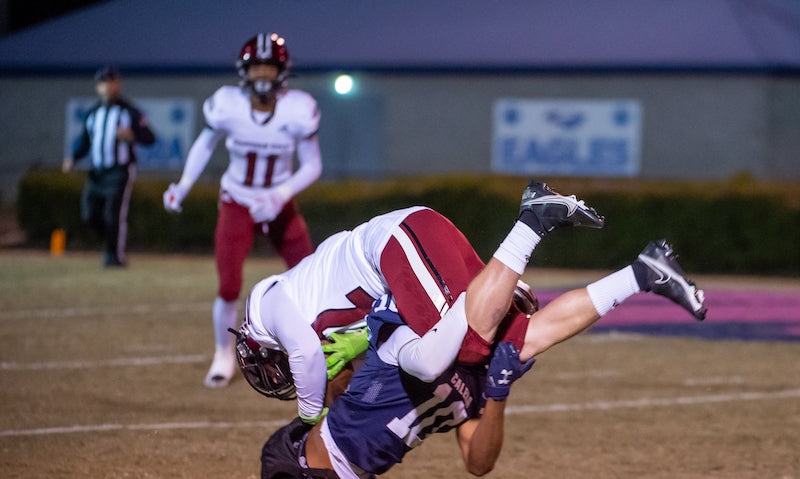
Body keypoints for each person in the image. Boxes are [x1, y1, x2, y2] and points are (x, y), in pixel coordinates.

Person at [210, 192, 707, 479]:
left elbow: (479, 463)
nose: (513, 320)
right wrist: (492, 291)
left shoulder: (476, 364)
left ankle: (643, 273)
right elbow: (416, 364)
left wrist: (498, 394)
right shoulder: (399, 330)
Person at [233, 179, 703, 425]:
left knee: (468, 350)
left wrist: (306, 424)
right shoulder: (304, 301)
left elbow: (305, 354)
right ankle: (644, 273)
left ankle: (530, 225)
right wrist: (359, 344)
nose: (276, 376)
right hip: (407, 249)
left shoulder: (266, 303)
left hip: (396, 243)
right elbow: (364, 317)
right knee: (514, 342)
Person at [163, 32, 322, 389]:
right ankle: (223, 354)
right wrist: (183, 185)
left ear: (282, 71)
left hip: (278, 203)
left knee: (312, 276)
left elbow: (313, 165)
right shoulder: (227, 104)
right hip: (237, 199)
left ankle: (319, 348)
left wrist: (280, 194)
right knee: (229, 283)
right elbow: (205, 145)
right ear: (244, 71)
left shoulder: (298, 108)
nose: (262, 76)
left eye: (269, 67)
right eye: (256, 68)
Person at [62, 66, 156, 267]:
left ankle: (114, 257)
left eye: (113, 82)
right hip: (97, 171)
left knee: (113, 215)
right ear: (98, 87)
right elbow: (85, 142)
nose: (109, 87)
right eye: (105, 83)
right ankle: (110, 243)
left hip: (119, 170)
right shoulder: (92, 113)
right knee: (89, 215)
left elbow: (150, 137)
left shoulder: (130, 112)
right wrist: (73, 158)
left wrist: (133, 136)